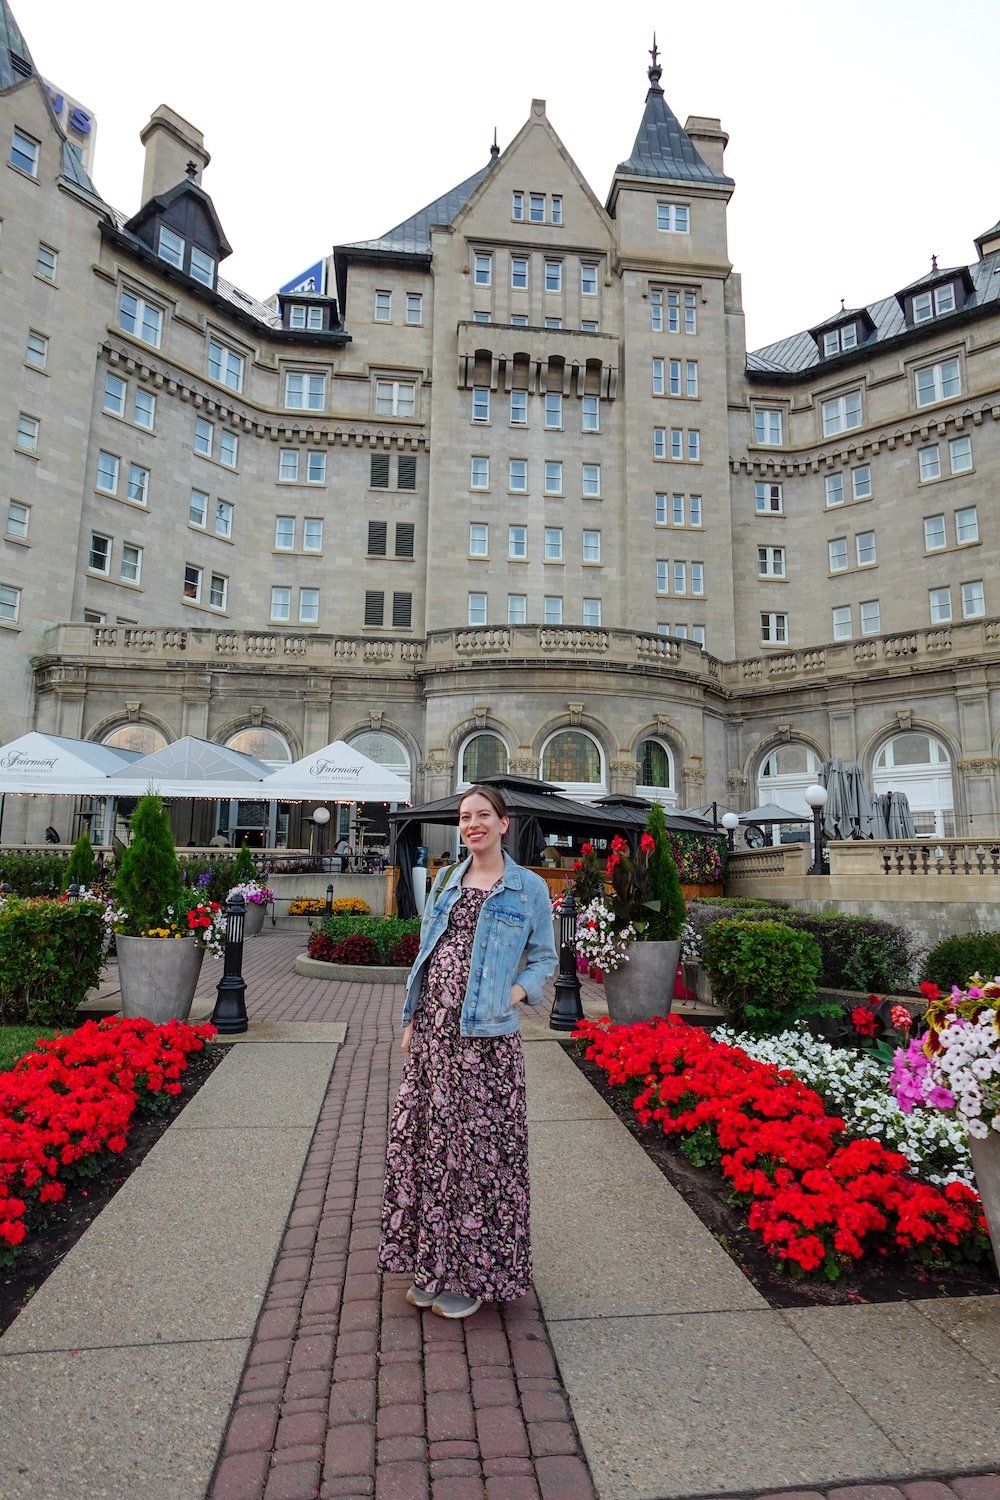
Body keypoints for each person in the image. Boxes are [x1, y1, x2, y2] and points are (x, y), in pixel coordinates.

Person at [378, 785, 557, 1320]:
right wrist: (412, 1019)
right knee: (431, 1147)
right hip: (434, 1033)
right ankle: (433, 1266)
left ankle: (474, 1273)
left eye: (483, 815)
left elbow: (544, 957)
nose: (473, 824)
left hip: (486, 1042)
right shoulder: (447, 879)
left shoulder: (528, 888)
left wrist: (517, 992)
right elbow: (428, 950)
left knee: (477, 1154)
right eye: (465, 817)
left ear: (504, 824)